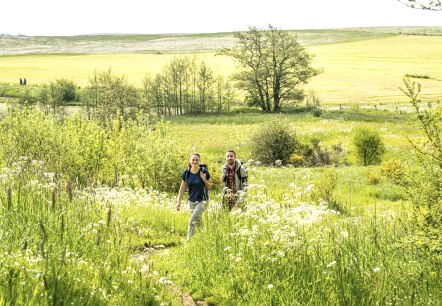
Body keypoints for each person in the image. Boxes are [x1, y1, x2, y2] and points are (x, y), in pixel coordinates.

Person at [177, 153, 212, 240]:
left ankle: (188, 241)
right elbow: (182, 187)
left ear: (199, 161)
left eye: (197, 160)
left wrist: (204, 179)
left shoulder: (204, 171)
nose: (195, 162)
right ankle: (205, 238)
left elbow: (210, 186)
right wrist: (178, 202)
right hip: (191, 201)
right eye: (193, 160)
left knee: (192, 221)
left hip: (203, 200)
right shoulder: (187, 172)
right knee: (198, 221)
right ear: (190, 161)